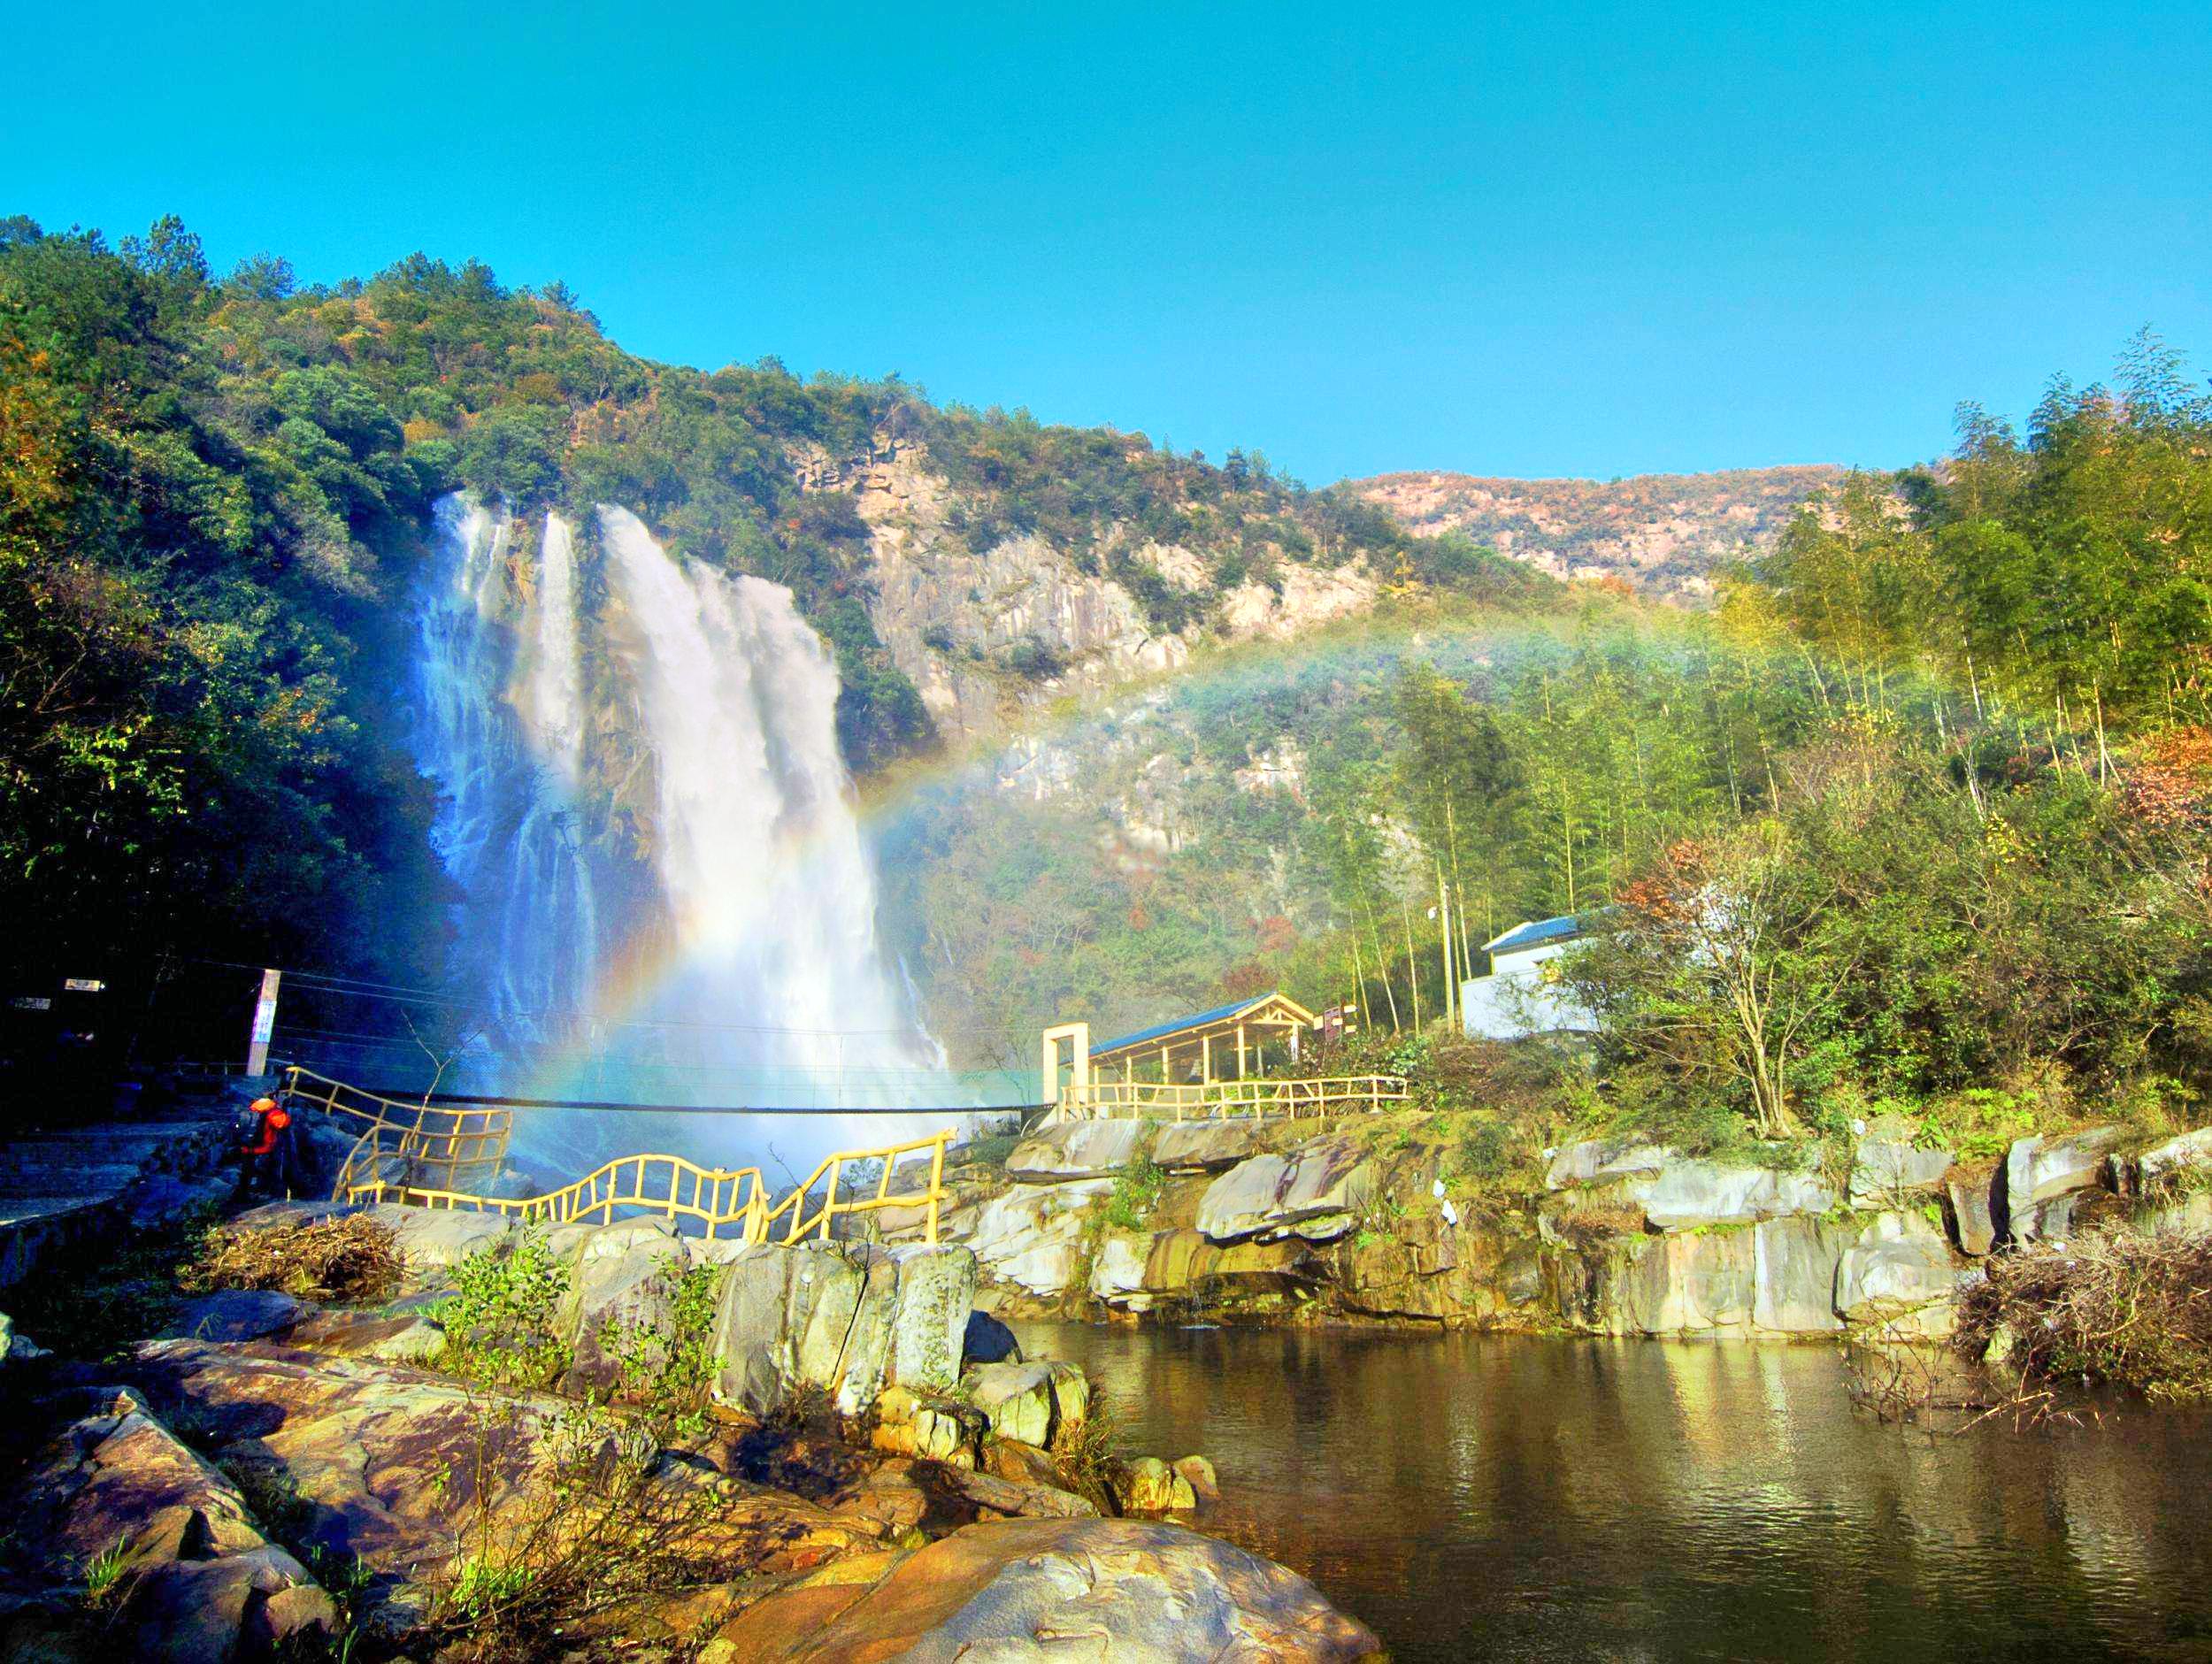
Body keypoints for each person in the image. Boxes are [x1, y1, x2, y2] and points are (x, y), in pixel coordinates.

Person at [239, 1093, 296, 1199]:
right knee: (264, 1173)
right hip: (263, 1150)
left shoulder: (253, 1107)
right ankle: (261, 1195)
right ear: (273, 1096)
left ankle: (244, 1195)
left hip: (247, 1149)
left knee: (247, 1173)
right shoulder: (272, 1111)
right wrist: (281, 1107)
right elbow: (284, 1122)